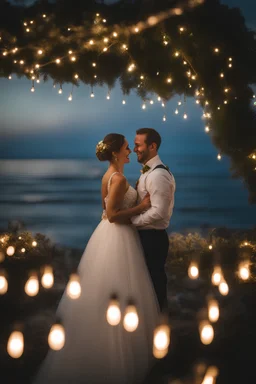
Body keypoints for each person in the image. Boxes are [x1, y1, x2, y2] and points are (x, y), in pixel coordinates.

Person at [33, 133, 159, 384]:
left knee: (105, 290)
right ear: (115, 153)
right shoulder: (119, 178)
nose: (130, 152)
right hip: (118, 235)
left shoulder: (110, 176)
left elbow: (106, 211)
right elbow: (112, 214)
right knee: (120, 288)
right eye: (126, 148)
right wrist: (142, 207)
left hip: (108, 235)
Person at [131, 128, 176, 312]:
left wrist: (132, 221)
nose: (135, 149)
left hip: (153, 240)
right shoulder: (148, 172)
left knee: (154, 289)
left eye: (137, 145)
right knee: (144, 287)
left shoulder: (158, 175)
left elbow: (159, 213)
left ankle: (159, 328)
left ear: (152, 146)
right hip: (146, 237)